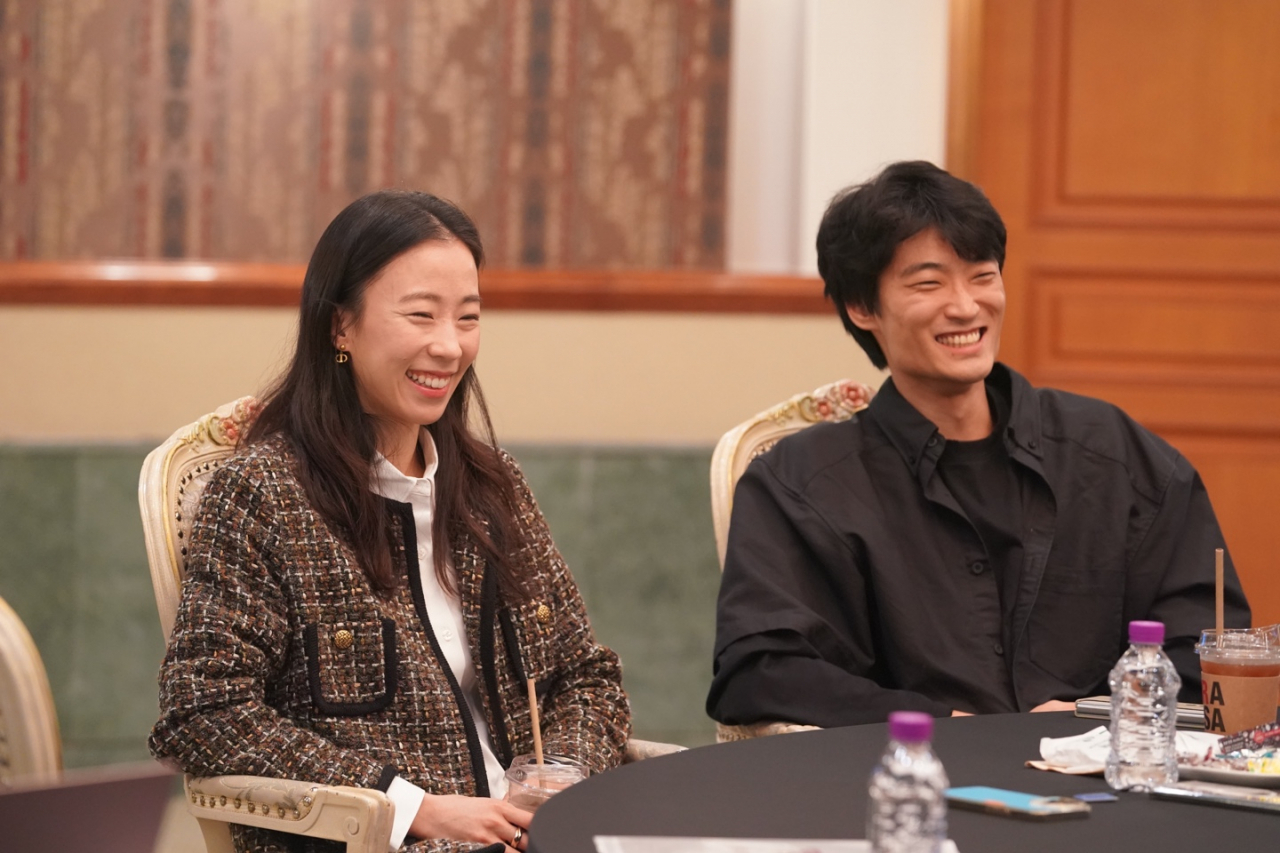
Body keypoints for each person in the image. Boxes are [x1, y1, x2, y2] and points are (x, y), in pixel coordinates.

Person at [150, 191, 631, 853]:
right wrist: (411, 806)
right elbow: (204, 712)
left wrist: (560, 776)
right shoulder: (263, 493)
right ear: (340, 326)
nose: (449, 345)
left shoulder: (494, 487)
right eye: (420, 315)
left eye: (468, 317)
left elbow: (585, 675)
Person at [707, 161, 1251, 729]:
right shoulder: (801, 482)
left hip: (1112, 782)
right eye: (928, 283)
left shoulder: (1114, 454)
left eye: (983, 275)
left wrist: (1095, 714)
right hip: (905, 786)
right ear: (863, 308)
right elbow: (759, 670)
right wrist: (946, 724)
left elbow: (1213, 649)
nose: (966, 306)